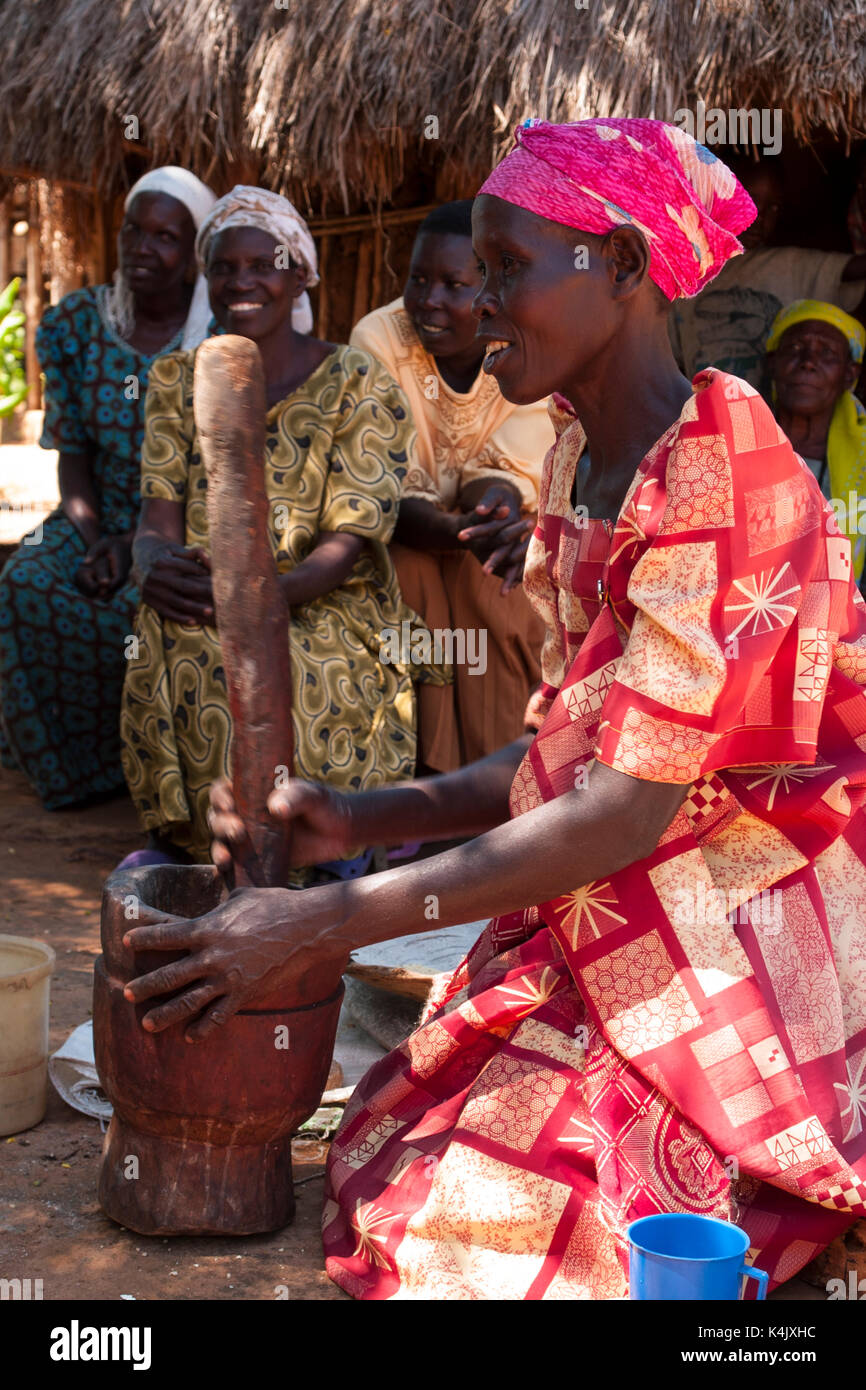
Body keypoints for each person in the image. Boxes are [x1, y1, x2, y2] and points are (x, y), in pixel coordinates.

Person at [123, 119, 866, 1300]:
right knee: (406, 1155)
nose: (474, 306)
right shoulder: (582, 455)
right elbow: (557, 758)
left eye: (507, 272)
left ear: (619, 267)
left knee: (514, 1242)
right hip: (621, 879)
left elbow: (618, 814)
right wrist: (348, 820)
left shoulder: (723, 472)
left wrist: (322, 925)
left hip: (732, 888)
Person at [120, 186, 446, 873]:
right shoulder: (177, 379)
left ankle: (318, 847)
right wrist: (152, 566)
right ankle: (206, 845)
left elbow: (350, 540)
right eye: (225, 268)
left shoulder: (357, 381)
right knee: (183, 648)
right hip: (207, 596)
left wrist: (263, 599)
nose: (243, 282)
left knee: (305, 669)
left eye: (263, 264)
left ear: (301, 273)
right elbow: (157, 519)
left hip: (323, 597)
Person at [0, 167, 216, 809]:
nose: (144, 247)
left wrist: (138, 543)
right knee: (27, 580)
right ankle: (71, 768)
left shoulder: (217, 340)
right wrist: (96, 540)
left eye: (165, 236)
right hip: (92, 514)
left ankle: (148, 764)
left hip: (185, 523)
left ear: (192, 253)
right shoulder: (74, 326)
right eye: (134, 230)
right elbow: (72, 455)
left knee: (164, 600)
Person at [350, 201, 554, 771]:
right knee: (411, 574)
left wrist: (492, 518)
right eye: (418, 280)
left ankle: (500, 778)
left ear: (488, 286)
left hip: (482, 530)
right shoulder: (380, 338)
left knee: (498, 587)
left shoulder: (522, 341)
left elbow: (507, 471)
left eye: (452, 283)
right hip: (405, 529)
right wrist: (462, 531)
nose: (429, 301)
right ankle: (420, 775)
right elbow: (384, 483)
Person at [670, 158, 866, 394]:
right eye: (750, 200)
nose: (759, 216)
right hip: (709, 418)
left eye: (773, 208)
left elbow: (853, 269)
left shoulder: (788, 265)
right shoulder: (684, 276)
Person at [766, 299, 866, 584]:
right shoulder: (733, 447)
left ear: (849, 375)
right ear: (772, 363)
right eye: (795, 348)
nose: (808, 362)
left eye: (828, 353)